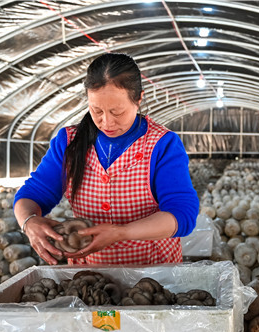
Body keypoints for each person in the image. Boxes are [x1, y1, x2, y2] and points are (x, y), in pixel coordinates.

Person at [13, 53, 199, 265]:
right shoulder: (69, 142)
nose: (106, 122)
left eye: (117, 112)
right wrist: (28, 222)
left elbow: (182, 213)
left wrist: (122, 232)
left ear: (138, 99)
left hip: (153, 272)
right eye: (97, 110)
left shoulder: (162, 144)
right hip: (90, 276)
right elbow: (33, 194)